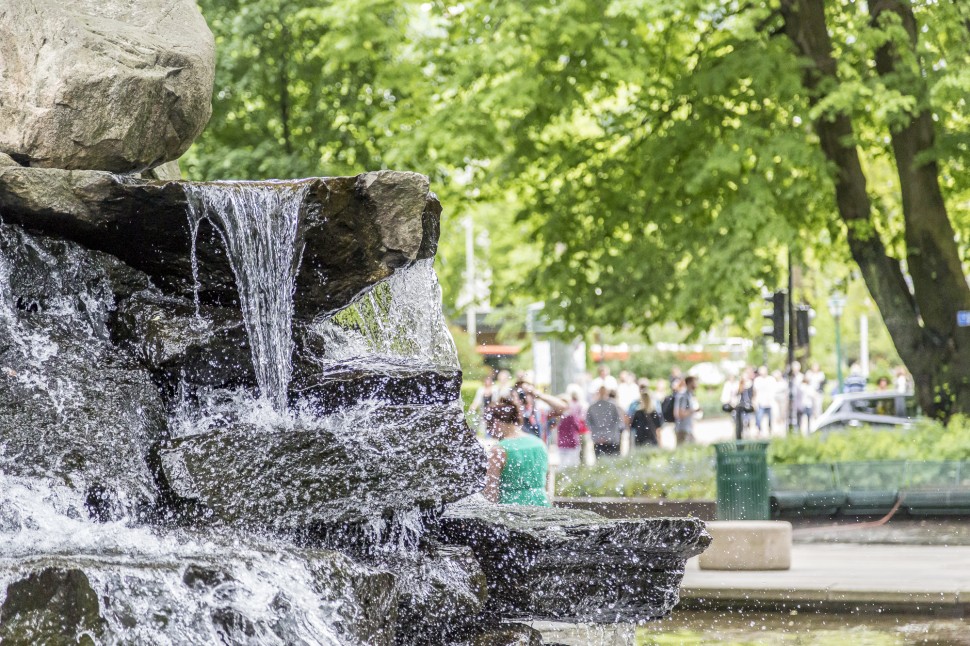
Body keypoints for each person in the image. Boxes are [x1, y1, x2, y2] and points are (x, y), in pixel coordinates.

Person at [483, 398, 550, 506]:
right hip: (542, 504)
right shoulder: (539, 443)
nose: (489, 431)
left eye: (489, 425)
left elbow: (490, 494)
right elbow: (546, 482)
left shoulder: (499, 450)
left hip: (512, 510)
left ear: (497, 422)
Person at [585, 386, 625, 455]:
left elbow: (589, 423)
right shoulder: (613, 405)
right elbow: (618, 422)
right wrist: (608, 436)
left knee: (600, 462)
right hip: (612, 439)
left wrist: (599, 436)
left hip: (599, 440)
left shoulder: (592, 407)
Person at [556, 390, 586, 467]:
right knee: (572, 466)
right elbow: (578, 427)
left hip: (561, 444)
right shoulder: (571, 416)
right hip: (572, 443)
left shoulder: (558, 417)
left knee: (562, 465)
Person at [673, 376, 699, 446]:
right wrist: (694, 410)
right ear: (690, 383)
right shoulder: (683, 396)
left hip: (688, 428)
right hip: (682, 429)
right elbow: (680, 413)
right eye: (695, 382)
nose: (697, 384)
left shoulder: (690, 395)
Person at [752, 366, 775, 436]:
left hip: (770, 402)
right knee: (759, 417)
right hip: (760, 402)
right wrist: (754, 401)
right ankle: (759, 430)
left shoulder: (771, 379)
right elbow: (755, 391)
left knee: (770, 418)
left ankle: (770, 429)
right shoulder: (757, 380)